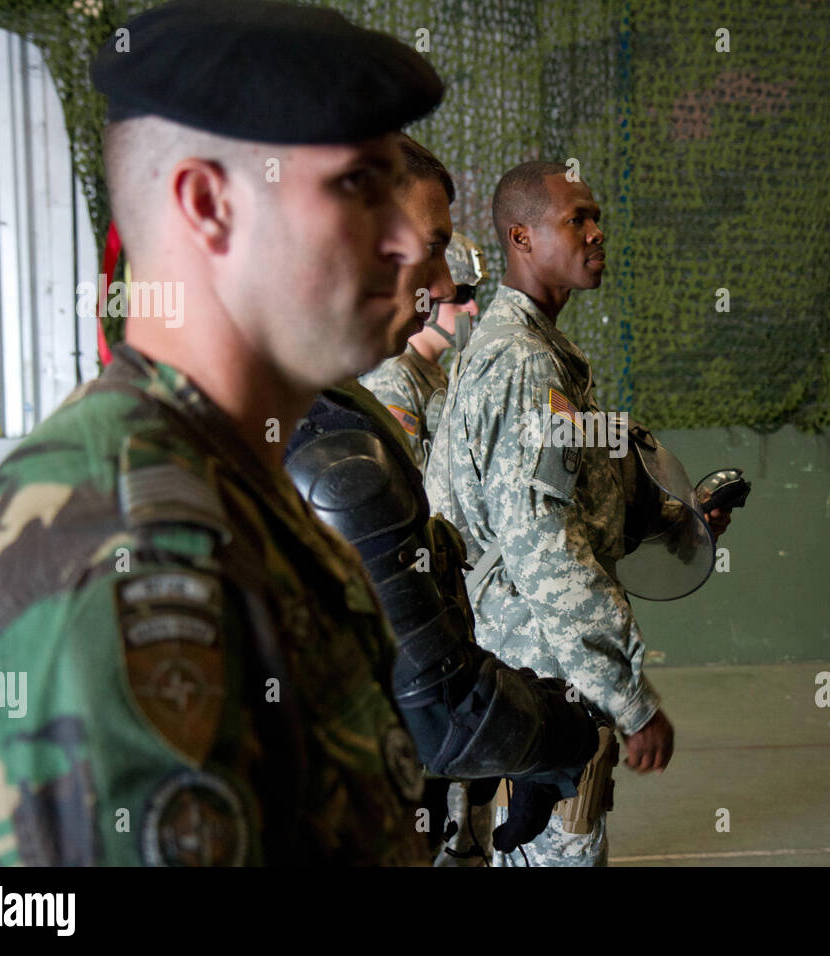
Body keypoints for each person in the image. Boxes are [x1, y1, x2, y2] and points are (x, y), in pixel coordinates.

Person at [0, 0, 447, 865]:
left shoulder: (229, 479)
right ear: (208, 204)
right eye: (360, 184)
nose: (406, 243)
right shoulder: (133, 562)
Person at [284, 135, 599, 868]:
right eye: (428, 250)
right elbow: (442, 711)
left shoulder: (319, 407)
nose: (440, 284)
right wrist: (562, 733)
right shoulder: (335, 449)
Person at [424, 162, 732, 866]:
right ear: (521, 238)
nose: (596, 233)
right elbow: (546, 550)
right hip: (539, 668)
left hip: (534, 665)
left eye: (597, 219)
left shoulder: (535, 354)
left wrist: (677, 521)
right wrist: (630, 700)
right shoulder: (525, 366)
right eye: (577, 220)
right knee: (558, 852)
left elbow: (576, 504)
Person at [359, 226, 489, 469]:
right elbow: (407, 476)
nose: (473, 309)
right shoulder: (395, 377)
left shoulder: (433, 372)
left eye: (473, 295)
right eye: (462, 295)